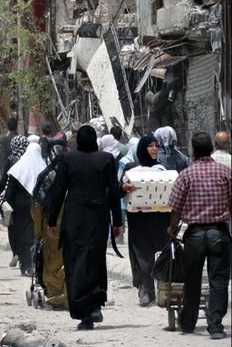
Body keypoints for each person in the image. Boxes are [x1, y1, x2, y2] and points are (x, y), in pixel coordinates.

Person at [47, 125, 122, 330]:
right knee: (95, 260)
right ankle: (95, 303)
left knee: (76, 261)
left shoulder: (68, 159)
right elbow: (113, 191)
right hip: (98, 217)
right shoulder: (106, 159)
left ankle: (84, 313)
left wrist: (52, 220)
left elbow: (58, 190)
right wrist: (117, 221)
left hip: (75, 218)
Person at [167, 132, 231, 340]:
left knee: (192, 279)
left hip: (194, 235)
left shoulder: (186, 175)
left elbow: (175, 207)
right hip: (219, 233)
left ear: (193, 150)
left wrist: (172, 228)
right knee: (218, 280)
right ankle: (216, 326)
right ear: (211, 148)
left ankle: (188, 323)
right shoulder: (225, 172)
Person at [120, 135, 170, 306]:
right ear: (142, 149)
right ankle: (145, 290)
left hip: (160, 219)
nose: (154, 149)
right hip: (139, 220)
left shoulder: (162, 169)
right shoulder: (131, 169)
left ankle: (164, 291)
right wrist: (124, 187)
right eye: (150, 146)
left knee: (162, 255)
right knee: (142, 256)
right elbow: (118, 189)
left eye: (156, 145)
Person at [32, 136, 69, 309]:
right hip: (74, 225)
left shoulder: (46, 177)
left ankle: (56, 295)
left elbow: (37, 207)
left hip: (52, 228)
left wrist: (39, 231)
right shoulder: (74, 173)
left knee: (53, 261)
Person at [7, 141, 46, 276]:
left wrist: (9, 207)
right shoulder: (44, 168)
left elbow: (10, 191)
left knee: (22, 234)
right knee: (36, 234)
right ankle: (35, 264)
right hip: (38, 206)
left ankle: (26, 264)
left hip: (20, 208)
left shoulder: (18, 168)